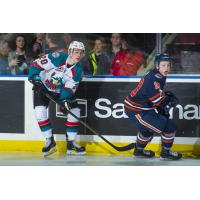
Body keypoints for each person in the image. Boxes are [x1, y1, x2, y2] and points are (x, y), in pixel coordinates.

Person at [28, 41, 86, 156]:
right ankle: (49, 141)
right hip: (43, 86)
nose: (78, 55)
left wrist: (63, 100)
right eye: (76, 52)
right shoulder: (58, 57)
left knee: (74, 111)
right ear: (70, 51)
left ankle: (71, 143)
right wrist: (35, 78)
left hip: (59, 92)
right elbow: (36, 64)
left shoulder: (78, 70)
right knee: (39, 112)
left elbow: (69, 88)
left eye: (81, 52)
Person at [124, 53, 182, 160]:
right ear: (157, 65)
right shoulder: (153, 78)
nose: (166, 68)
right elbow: (157, 101)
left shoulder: (158, 75)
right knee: (169, 127)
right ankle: (166, 153)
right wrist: (168, 100)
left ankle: (139, 151)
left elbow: (155, 96)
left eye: (168, 65)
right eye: (163, 65)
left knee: (147, 130)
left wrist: (163, 100)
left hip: (143, 108)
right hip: (136, 110)